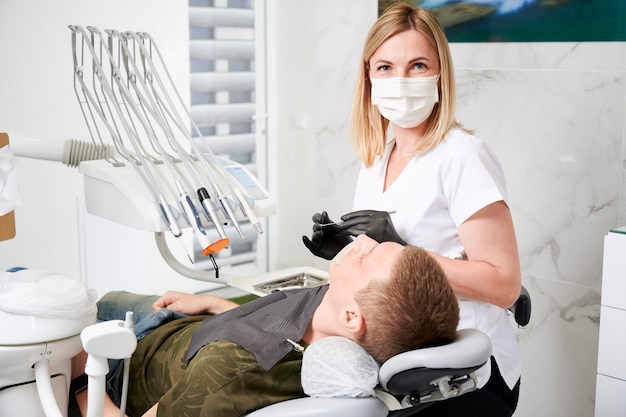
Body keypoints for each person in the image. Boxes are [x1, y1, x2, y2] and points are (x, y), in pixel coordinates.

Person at [302, 3, 522, 416]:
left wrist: (404, 252)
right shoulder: (376, 158)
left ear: (440, 73)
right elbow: (382, 272)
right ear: (368, 77)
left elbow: (504, 285)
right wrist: (349, 250)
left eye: (417, 65)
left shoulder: (462, 157)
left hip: (462, 370)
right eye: (385, 67)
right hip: (399, 352)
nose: (400, 81)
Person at [74, 235, 459, 417]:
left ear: (352, 318)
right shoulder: (336, 317)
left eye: (367, 256)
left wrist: (77, 377)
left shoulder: (232, 371)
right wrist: (215, 306)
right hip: (190, 327)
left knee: (67, 310)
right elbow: (277, 332)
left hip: (126, 361)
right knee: (94, 297)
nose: (359, 240)